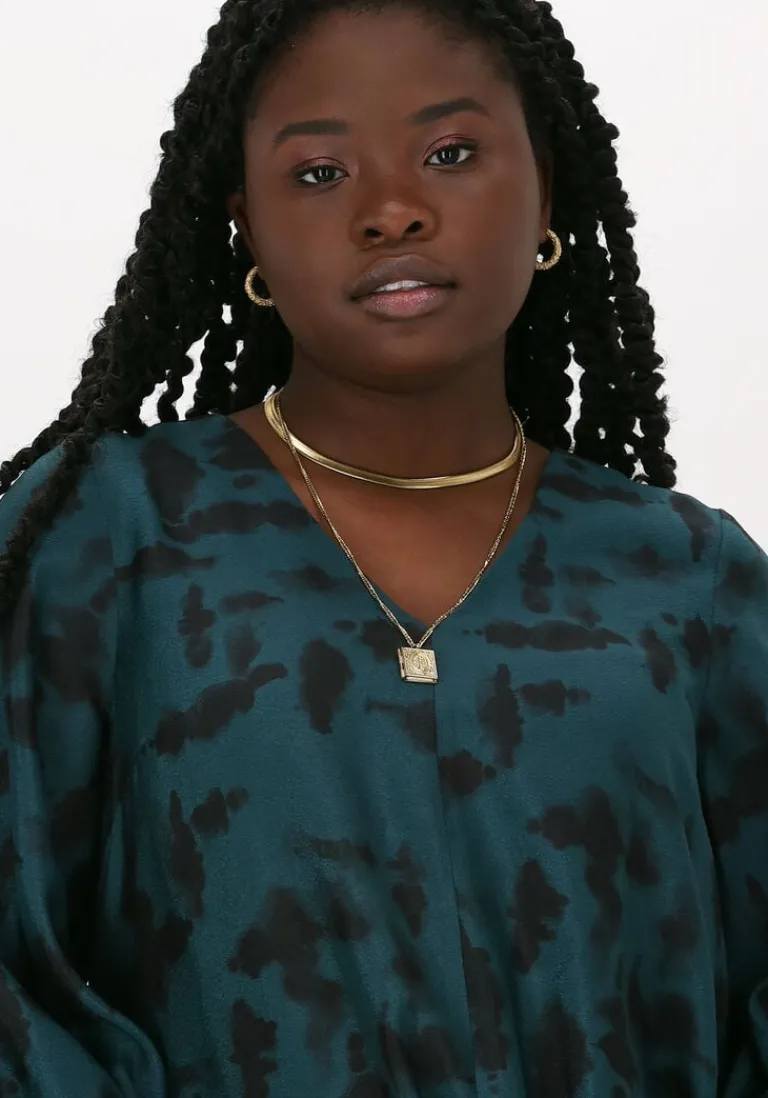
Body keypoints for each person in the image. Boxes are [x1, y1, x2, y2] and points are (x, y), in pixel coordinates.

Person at [0, 0, 766, 1094]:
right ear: (247, 230)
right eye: (319, 173)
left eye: (450, 153)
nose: (392, 211)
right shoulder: (108, 537)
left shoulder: (695, 580)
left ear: (546, 189)